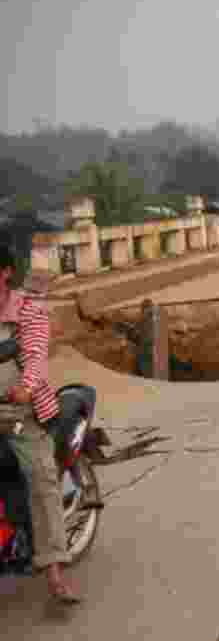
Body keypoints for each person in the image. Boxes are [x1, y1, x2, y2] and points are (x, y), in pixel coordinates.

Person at [0, 243, 79, 604]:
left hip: (21, 413)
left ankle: (54, 572)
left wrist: (25, 388)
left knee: (40, 478)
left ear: (4, 273)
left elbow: (35, 356)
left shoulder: (27, 311)